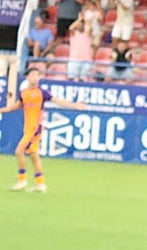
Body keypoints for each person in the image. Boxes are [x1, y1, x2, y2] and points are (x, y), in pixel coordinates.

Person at [1, 65, 87, 193]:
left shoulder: (41, 93)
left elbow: (58, 101)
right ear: (27, 77)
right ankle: (40, 184)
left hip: (35, 129)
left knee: (18, 151)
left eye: (37, 75)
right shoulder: (24, 93)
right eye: (33, 75)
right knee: (34, 155)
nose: (35, 78)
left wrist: (74, 105)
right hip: (28, 129)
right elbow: (15, 107)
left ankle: (22, 181)